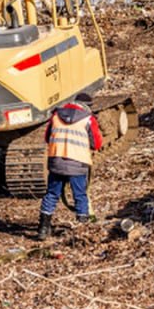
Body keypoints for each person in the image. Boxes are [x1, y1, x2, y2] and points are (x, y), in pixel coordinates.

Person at [38, 92, 104, 240]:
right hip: (77, 163)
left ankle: (43, 229)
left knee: (51, 194)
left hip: (57, 162)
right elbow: (97, 144)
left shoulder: (56, 115)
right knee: (80, 195)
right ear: (87, 106)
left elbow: (47, 138)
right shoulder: (88, 119)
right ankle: (82, 230)